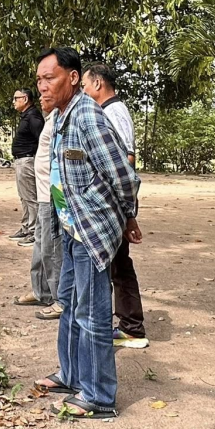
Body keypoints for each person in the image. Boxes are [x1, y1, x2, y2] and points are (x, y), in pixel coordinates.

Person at [33, 48, 141, 419]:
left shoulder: (88, 117)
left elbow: (124, 176)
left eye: (50, 78)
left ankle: (99, 396)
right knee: (69, 304)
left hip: (91, 230)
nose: (42, 87)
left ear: (74, 78)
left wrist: (127, 217)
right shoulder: (62, 117)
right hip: (69, 226)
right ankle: (71, 374)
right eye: (39, 80)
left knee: (92, 313)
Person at [83, 62, 147, 350]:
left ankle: (132, 326)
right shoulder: (106, 110)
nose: (83, 91)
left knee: (119, 265)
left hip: (114, 204)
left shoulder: (113, 112)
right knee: (116, 265)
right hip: (112, 203)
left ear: (98, 84)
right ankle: (126, 323)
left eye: (85, 85)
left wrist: (125, 209)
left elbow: (126, 161)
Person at [15, 101, 62, 318]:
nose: (42, 95)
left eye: (48, 88)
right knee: (40, 246)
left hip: (52, 195)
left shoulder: (62, 119)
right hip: (43, 194)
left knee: (51, 249)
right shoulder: (50, 118)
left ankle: (59, 298)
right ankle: (41, 291)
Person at [10, 88, 45, 246]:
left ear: (25, 99)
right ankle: (26, 227)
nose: (14, 102)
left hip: (27, 160)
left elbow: (42, 140)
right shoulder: (26, 116)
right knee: (24, 196)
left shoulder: (33, 117)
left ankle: (34, 231)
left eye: (16, 98)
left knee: (31, 197)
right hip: (20, 161)